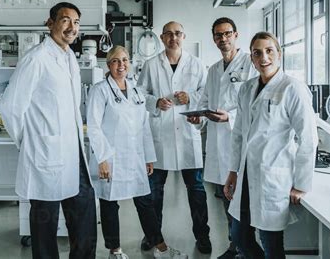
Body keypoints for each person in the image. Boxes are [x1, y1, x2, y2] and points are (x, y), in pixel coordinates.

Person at [0, 2, 97, 259]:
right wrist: (30, 142)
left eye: (76, 22)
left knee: (85, 211)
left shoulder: (69, 59)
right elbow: (10, 108)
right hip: (44, 153)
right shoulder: (36, 59)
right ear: (50, 23)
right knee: (45, 223)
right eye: (65, 20)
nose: (72, 27)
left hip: (72, 152)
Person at [86, 46, 188, 259]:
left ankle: (160, 248)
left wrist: (148, 157)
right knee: (109, 204)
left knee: (145, 202)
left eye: (124, 60)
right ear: (108, 65)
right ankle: (115, 251)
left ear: (129, 63)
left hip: (134, 157)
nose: (121, 65)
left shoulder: (136, 91)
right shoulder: (99, 90)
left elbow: (144, 127)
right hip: (111, 158)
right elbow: (94, 126)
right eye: (115, 61)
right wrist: (102, 158)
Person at [224, 32, 318, 258]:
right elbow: (238, 134)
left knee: (271, 243)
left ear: (279, 54)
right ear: (252, 59)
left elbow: (308, 138)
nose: (263, 57)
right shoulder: (246, 88)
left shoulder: (292, 88)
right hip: (246, 174)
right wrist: (233, 172)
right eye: (257, 53)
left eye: (269, 51)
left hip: (272, 176)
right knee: (239, 237)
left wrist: (301, 184)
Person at [137, 21, 212, 254]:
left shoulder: (197, 64)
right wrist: (156, 102)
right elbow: (140, 94)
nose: (173, 38)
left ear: (184, 36)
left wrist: (190, 97)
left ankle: (202, 236)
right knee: (154, 192)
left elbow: (206, 94)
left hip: (188, 136)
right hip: (161, 136)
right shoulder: (151, 64)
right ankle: (152, 235)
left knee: (197, 191)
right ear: (161, 37)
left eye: (178, 33)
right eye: (168, 34)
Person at [187, 17, 258, 259]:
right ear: (214, 38)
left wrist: (230, 116)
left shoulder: (250, 63)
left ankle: (244, 247)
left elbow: (254, 103)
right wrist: (199, 116)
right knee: (226, 198)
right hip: (218, 145)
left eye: (227, 33)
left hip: (240, 142)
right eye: (218, 35)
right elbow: (206, 100)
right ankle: (234, 245)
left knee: (242, 201)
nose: (223, 38)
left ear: (236, 35)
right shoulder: (215, 69)